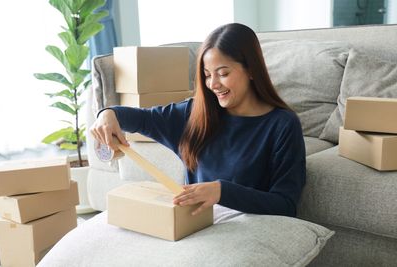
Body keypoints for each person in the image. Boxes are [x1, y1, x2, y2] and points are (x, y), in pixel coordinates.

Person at [91, 23, 306, 217]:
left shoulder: (282, 125)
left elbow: (285, 205)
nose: (213, 84)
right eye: (206, 74)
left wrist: (222, 191)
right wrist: (108, 114)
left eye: (223, 73)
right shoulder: (194, 113)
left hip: (247, 233)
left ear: (251, 69)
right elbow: (143, 119)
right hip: (194, 227)